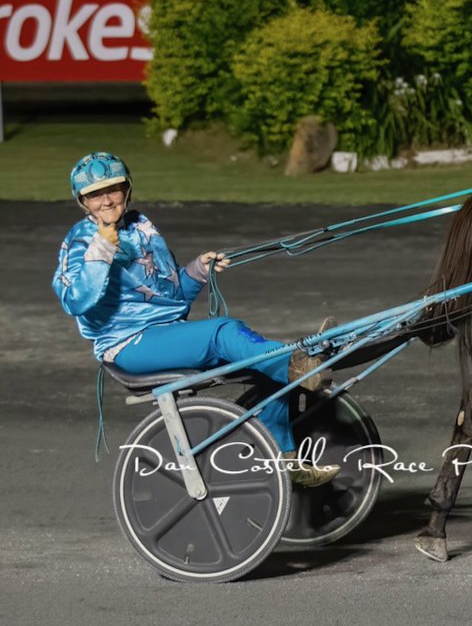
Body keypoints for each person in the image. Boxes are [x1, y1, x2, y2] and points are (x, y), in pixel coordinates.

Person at [52, 151, 339, 487]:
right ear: (82, 201)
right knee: (225, 331)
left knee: (261, 364)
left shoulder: (141, 225)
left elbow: (168, 299)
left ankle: (286, 461)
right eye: (95, 194)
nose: (106, 200)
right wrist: (100, 250)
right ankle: (300, 365)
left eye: (113, 189)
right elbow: (73, 301)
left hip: (165, 333)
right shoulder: (81, 241)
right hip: (127, 344)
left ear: (127, 188)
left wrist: (197, 271)